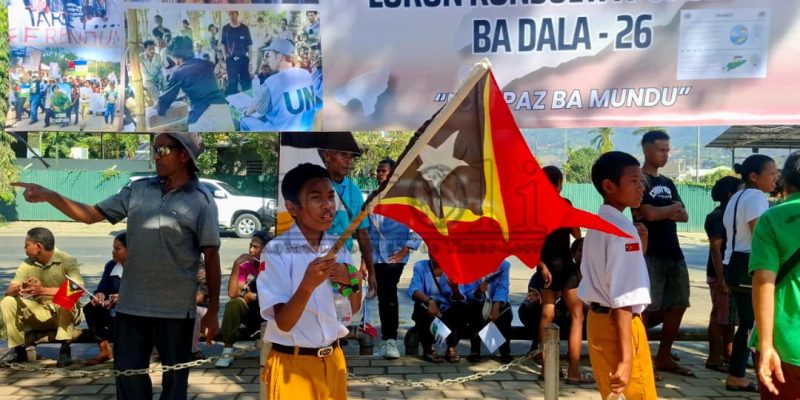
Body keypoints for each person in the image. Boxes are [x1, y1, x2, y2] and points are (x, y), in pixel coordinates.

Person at [12, 133, 221, 400]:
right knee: (129, 382)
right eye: (155, 149)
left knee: (175, 385)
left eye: (164, 150)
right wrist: (49, 195)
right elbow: (90, 215)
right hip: (132, 308)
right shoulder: (138, 190)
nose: (155, 155)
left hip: (176, 311)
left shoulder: (202, 201)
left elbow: (211, 255)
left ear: (185, 156)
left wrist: (213, 308)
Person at [257, 163, 363, 400]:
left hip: (333, 360)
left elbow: (349, 312)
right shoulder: (277, 252)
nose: (328, 206)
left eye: (330, 197)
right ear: (292, 208)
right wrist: (307, 285)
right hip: (292, 364)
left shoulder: (338, 248)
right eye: (316, 198)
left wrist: (352, 282)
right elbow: (283, 323)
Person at [579, 151, 657, 399]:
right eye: (634, 181)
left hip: (598, 321)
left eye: (641, 181)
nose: (641, 187)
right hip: (617, 326)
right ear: (609, 186)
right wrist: (626, 359)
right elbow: (624, 298)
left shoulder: (598, 224)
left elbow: (610, 275)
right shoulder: (622, 231)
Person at [632, 130, 693, 378]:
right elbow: (647, 213)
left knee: (678, 304)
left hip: (674, 253)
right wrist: (670, 209)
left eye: (668, 150)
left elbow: (685, 215)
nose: (666, 154)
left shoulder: (667, 183)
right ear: (647, 150)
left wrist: (664, 211)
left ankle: (664, 356)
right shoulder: (639, 181)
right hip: (650, 253)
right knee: (646, 307)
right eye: (661, 150)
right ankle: (642, 358)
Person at [723, 154, 778, 393]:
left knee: (747, 323)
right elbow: (760, 235)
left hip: (732, 263)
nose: (776, 178)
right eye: (771, 174)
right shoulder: (756, 197)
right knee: (755, 325)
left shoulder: (737, 195)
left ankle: (738, 375)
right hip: (748, 266)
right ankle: (748, 375)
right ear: (754, 177)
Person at [534, 165, 590, 384]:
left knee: (547, 316)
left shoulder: (533, 207)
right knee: (577, 316)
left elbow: (527, 244)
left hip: (545, 266)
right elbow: (577, 234)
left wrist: (541, 266)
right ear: (559, 184)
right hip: (565, 267)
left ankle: (547, 369)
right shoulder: (564, 205)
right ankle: (574, 371)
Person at [751, 151, 800, 399]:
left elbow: (763, 281)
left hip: (786, 346)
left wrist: (766, 344)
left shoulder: (772, 219)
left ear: (786, 182)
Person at [1, 227, 82, 368]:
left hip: (64, 314)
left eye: (27, 245)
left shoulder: (67, 260)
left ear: (38, 247)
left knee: (66, 300)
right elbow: (9, 291)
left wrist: (41, 290)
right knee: (8, 302)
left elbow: (77, 289)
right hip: (40, 312)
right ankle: (19, 349)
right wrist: (22, 287)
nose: (24, 249)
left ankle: (65, 349)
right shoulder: (27, 264)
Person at [368, 158, 422, 360]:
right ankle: (386, 339)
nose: (379, 174)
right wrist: (366, 263)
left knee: (388, 291)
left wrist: (406, 249)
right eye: (378, 171)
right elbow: (368, 230)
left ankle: (391, 340)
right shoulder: (372, 198)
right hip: (376, 255)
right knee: (381, 294)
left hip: (395, 255)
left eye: (383, 171)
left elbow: (419, 225)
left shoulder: (404, 198)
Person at [319, 147, 377, 299]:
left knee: (345, 309)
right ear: (327, 155)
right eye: (344, 154)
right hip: (315, 260)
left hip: (343, 261)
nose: (349, 160)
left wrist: (371, 272)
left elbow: (363, 232)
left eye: (352, 157)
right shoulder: (313, 185)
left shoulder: (354, 190)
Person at [157, 36, 235, 132]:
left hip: (204, 116)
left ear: (175, 56)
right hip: (224, 111)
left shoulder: (179, 72)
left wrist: (159, 111)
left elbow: (164, 100)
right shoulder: (207, 64)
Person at [703, 176, 741, 373]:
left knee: (729, 317)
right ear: (730, 194)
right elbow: (715, 249)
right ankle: (714, 357)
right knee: (719, 316)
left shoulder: (730, 214)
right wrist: (721, 278)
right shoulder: (718, 216)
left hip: (728, 273)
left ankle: (727, 354)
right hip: (721, 274)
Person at [215, 231, 269, 368]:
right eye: (250, 246)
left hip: (272, 311)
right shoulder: (246, 265)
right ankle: (227, 351)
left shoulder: (275, 264)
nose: (251, 250)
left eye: (256, 247)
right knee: (234, 304)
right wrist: (236, 265)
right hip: (252, 311)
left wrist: (256, 296)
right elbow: (233, 293)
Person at [239, 38, 317, 132]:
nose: (268, 60)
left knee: (244, 119)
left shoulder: (271, 82)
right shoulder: (306, 74)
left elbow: (257, 108)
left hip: (282, 134)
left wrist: (245, 112)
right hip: (308, 128)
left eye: (270, 55)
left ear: (279, 57)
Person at [407, 256, 466, 364]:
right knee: (421, 307)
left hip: (446, 308)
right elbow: (413, 290)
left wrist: (454, 288)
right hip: (427, 307)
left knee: (460, 307)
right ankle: (428, 348)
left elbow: (461, 297)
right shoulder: (420, 266)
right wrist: (430, 301)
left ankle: (451, 347)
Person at [83, 232, 126, 366]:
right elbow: (102, 288)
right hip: (113, 314)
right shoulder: (111, 266)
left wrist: (124, 298)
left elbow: (147, 293)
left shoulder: (143, 268)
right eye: (113, 248)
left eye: (117, 249)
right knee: (91, 308)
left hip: (135, 317)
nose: (113, 252)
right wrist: (100, 295)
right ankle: (104, 349)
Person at [463, 260, 513, 363]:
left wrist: (495, 306)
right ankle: (475, 351)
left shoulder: (504, 265)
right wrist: (478, 291)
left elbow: (503, 287)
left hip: (496, 301)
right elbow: (467, 292)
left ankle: (505, 351)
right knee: (473, 309)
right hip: (478, 301)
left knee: (506, 311)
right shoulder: (469, 265)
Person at [220, 11, 252, 95]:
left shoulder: (244, 28)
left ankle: (248, 102)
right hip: (231, 59)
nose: (231, 16)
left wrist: (250, 62)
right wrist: (226, 58)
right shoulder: (225, 29)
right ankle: (232, 103)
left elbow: (249, 46)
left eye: (233, 14)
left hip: (243, 59)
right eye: (230, 14)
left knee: (246, 83)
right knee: (232, 83)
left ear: (237, 14)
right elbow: (223, 45)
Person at [139, 40, 164, 106]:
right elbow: (145, 73)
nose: (152, 51)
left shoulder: (158, 56)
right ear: (145, 49)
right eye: (150, 49)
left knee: (165, 83)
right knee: (151, 87)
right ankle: (159, 103)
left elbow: (159, 70)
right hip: (148, 80)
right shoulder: (140, 58)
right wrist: (154, 79)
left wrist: (159, 79)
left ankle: (166, 101)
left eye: (153, 48)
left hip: (158, 77)